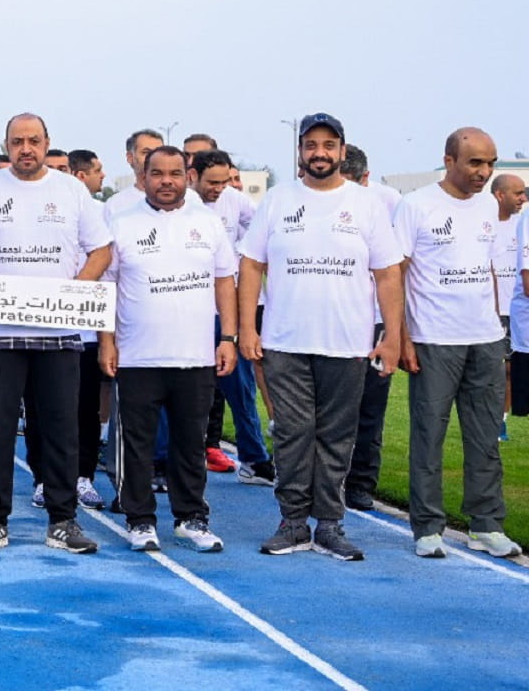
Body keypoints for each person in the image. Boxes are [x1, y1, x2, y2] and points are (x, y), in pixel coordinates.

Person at [238, 113, 402, 561]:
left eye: (329, 145)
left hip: (347, 343)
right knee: (292, 433)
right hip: (284, 342)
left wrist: (392, 337)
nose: (320, 153)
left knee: (336, 436)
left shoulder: (366, 205)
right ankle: (292, 522)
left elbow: (388, 274)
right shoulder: (277, 200)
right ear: (300, 152)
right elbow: (251, 265)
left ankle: (329, 524)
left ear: (342, 152)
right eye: (311, 145)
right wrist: (248, 328)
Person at [0, 113, 111, 555]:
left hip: (58, 332)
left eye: (33, 141)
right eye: (17, 141)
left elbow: (101, 249)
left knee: (59, 427)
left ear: (47, 143)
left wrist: (74, 292)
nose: (26, 149)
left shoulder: (71, 190)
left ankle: (63, 520)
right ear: (6, 144)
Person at [100, 146, 237, 553]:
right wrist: (106, 341)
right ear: (143, 178)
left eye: (174, 173)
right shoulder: (121, 223)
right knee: (138, 446)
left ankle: (191, 518)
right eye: (157, 173)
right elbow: (106, 287)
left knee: (190, 444)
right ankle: (140, 520)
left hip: (194, 357)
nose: (166, 181)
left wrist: (227, 338)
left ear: (187, 176)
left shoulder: (209, 224)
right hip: (138, 356)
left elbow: (224, 281)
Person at [395, 128, 520, 559]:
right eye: (474, 163)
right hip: (434, 339)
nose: (483, 172)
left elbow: (485, 267)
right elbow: (397, 274)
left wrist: (496, 325)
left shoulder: (490, 205)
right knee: (429, 436)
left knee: (485, 438)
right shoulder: (416, 205)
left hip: (485, 339)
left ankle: (486, 525)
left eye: (490, 163)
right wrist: (402, 338)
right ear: (449, 161)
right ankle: (427, 527)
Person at [192, 149, 273, 485]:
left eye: (225, 181)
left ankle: (254, 459)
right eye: (213, 182)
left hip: (228, 312)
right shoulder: (181, 206)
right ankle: (169, 460)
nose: (219, 188)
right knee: (187, 392)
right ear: (193, 176)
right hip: (190, 311)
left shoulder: (236, 200)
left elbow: (262, 235)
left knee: (240, 389)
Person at [339, 143, 403, 512]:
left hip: (377, 321)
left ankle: (361, 482)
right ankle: (325, 479)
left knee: (371, 407)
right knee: (330, 409)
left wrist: (396, 331)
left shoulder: (389, 202)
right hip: (339, 319)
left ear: (366, 177)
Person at [495, 175, 528, 420]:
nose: (523, 199)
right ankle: (495, 421)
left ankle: (501, 422)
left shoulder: (521, 221)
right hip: (495, 311)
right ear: (500, 195)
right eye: (518, 194)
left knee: (508, 369)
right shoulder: (484, 223)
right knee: (496, 369)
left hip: (513, 310)